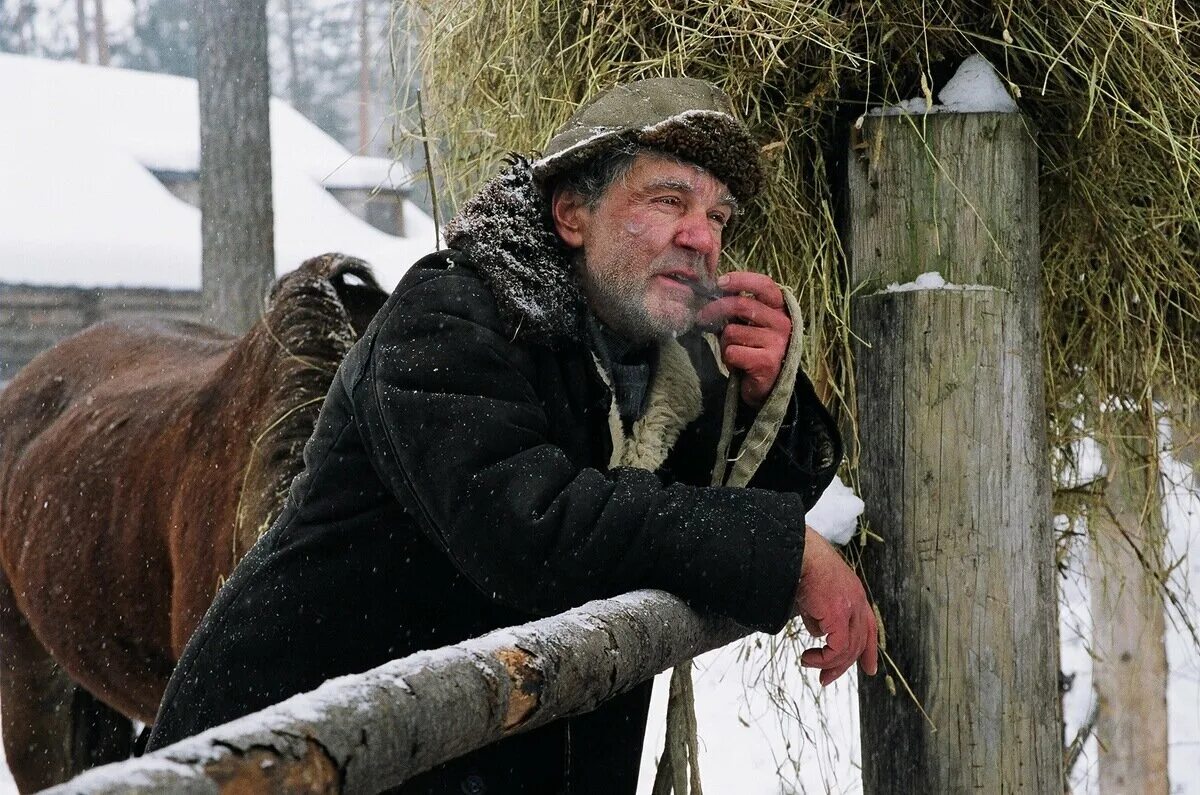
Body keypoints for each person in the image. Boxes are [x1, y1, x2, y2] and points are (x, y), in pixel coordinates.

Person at [147, 77, 877, 792]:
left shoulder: (652, 367)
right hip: (290, 760)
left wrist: (764, 394)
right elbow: (531, 528)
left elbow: (711, 512)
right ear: (571, 215)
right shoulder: (448, 315)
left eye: (718, 217)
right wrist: (786, 549)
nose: (701, 238)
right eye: (667, 201)